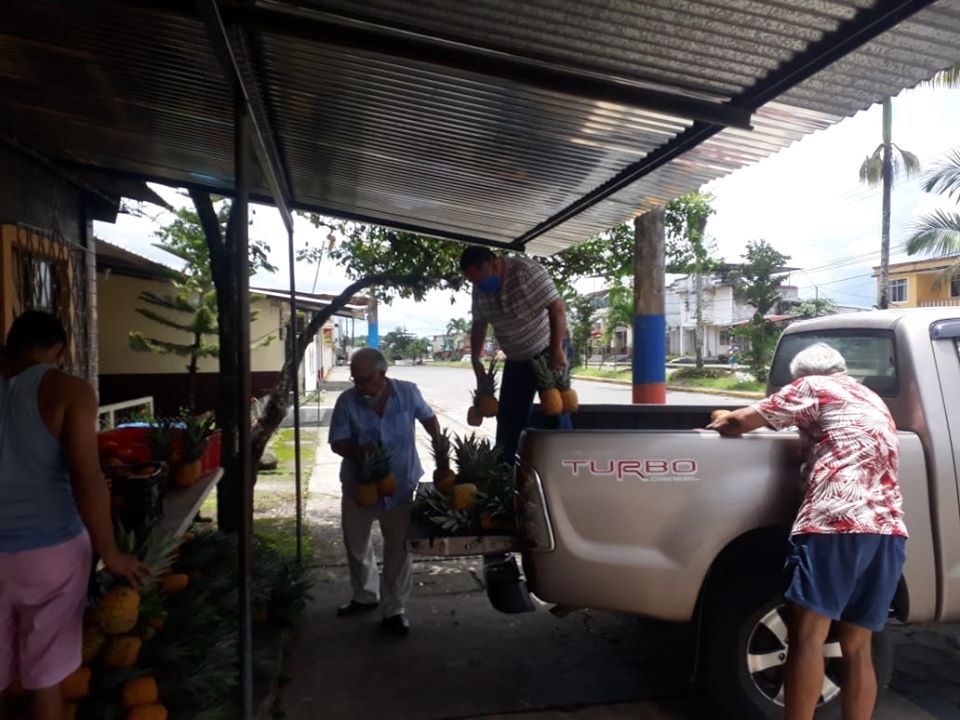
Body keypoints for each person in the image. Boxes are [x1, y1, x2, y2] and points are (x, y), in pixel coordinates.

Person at [706, 343, 907, 720]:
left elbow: (737, 423)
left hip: (836, 523)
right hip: (887, 530)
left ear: (801, 376)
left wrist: (720, 415)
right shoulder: (870, 397)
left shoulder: (811, 386)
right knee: (858, 646)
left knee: (807, 637)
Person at [0, 311, 149, 720]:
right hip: (52, 554)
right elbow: (87, 479)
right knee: (45, 681)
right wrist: (111, 553)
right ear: (60, 351)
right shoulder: (69, 391)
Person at [328, 348, 443, 637]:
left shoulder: (407, 393)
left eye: (365, 380)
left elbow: (428, 418)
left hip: (401, 484)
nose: (360, 386)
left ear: (382, 374)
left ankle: (394, 610)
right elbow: (337, 442)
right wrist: (361, 451)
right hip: (359, 485)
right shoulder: (347, 401)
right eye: (355, 380)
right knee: (356, 544)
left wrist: (440, 448)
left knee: (398, 550)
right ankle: (365, 595)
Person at [460, 246, 571, 462]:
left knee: (555, 412)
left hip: (548, 349)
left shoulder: (526, 273)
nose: (479, 286)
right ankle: (506, 471)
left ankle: (563, 463)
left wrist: (557, 349)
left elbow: (557, 308)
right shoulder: (479, 288)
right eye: (474, 282)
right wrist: (475, 358)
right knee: (508, 418)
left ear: (494, 264)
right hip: (516, 357)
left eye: (481, 280)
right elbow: (479, 324)